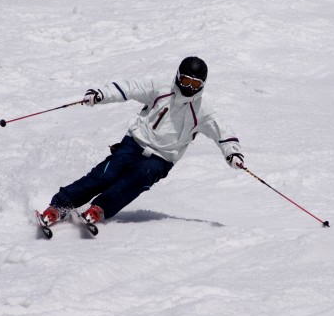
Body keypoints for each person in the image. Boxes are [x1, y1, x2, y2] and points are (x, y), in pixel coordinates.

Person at [39, 56, 245, 226]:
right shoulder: (161, 89)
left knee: (138, 177)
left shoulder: (203, 110)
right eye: (186, 81)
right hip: (134, 144)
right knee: (104, 175)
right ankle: (59, 206)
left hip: (161, 159)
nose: (189, 87)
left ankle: (99, 209)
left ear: (202, 85)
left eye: (195, 84)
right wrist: (102, 94)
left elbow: (223, 132)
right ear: (178, 77)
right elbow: (130, 88)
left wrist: (232, 152)